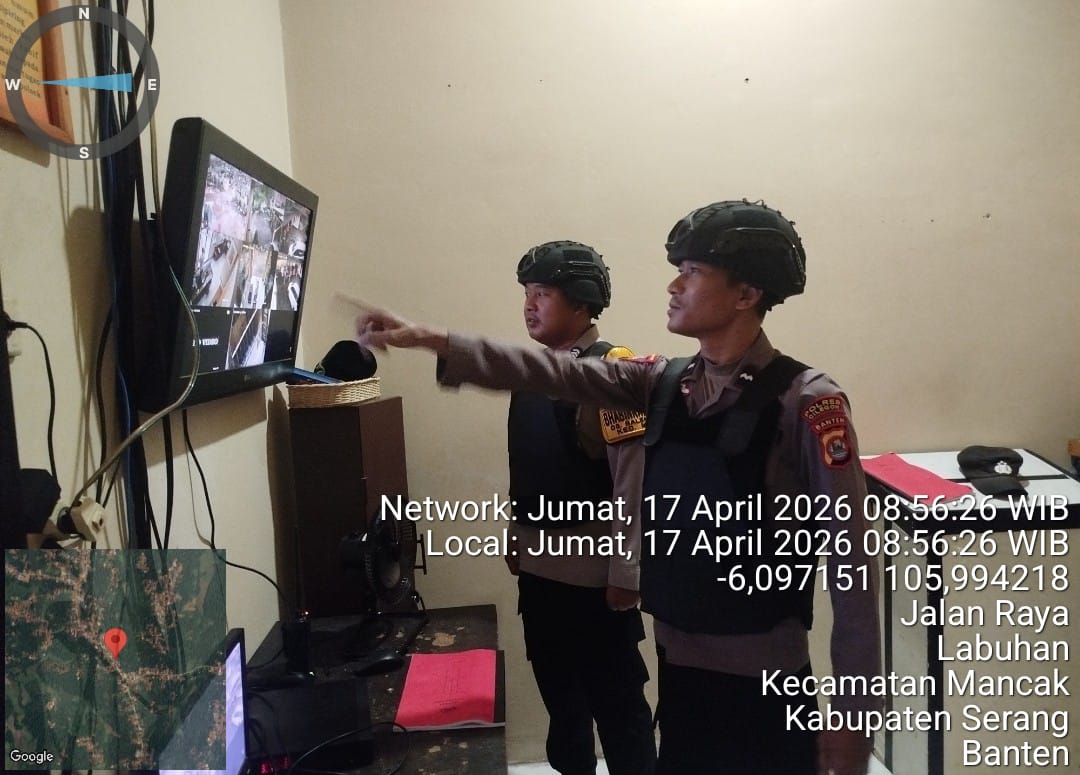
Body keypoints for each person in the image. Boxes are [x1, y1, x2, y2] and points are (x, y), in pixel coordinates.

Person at [354, 200, 882, 775]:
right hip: (679, 674)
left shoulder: (805, 402)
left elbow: (855, 575)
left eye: (693, 272)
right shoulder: (663, 383)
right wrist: (430, 338)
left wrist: (853, 721)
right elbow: (549, 370)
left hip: (766, 685)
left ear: (746, 293)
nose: (674, 286)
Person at [506, 241, 656, 775]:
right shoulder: (532, 372)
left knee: (621, 716)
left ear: (581, 302)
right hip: (540, 579)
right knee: (563, 716)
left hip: (596, 586)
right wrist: (514, 535)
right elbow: (527, 464)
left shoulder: (612, 372)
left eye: (543, 294)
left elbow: (632, 482)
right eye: (527, 293)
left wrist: (626, 573)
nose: (529, 306)